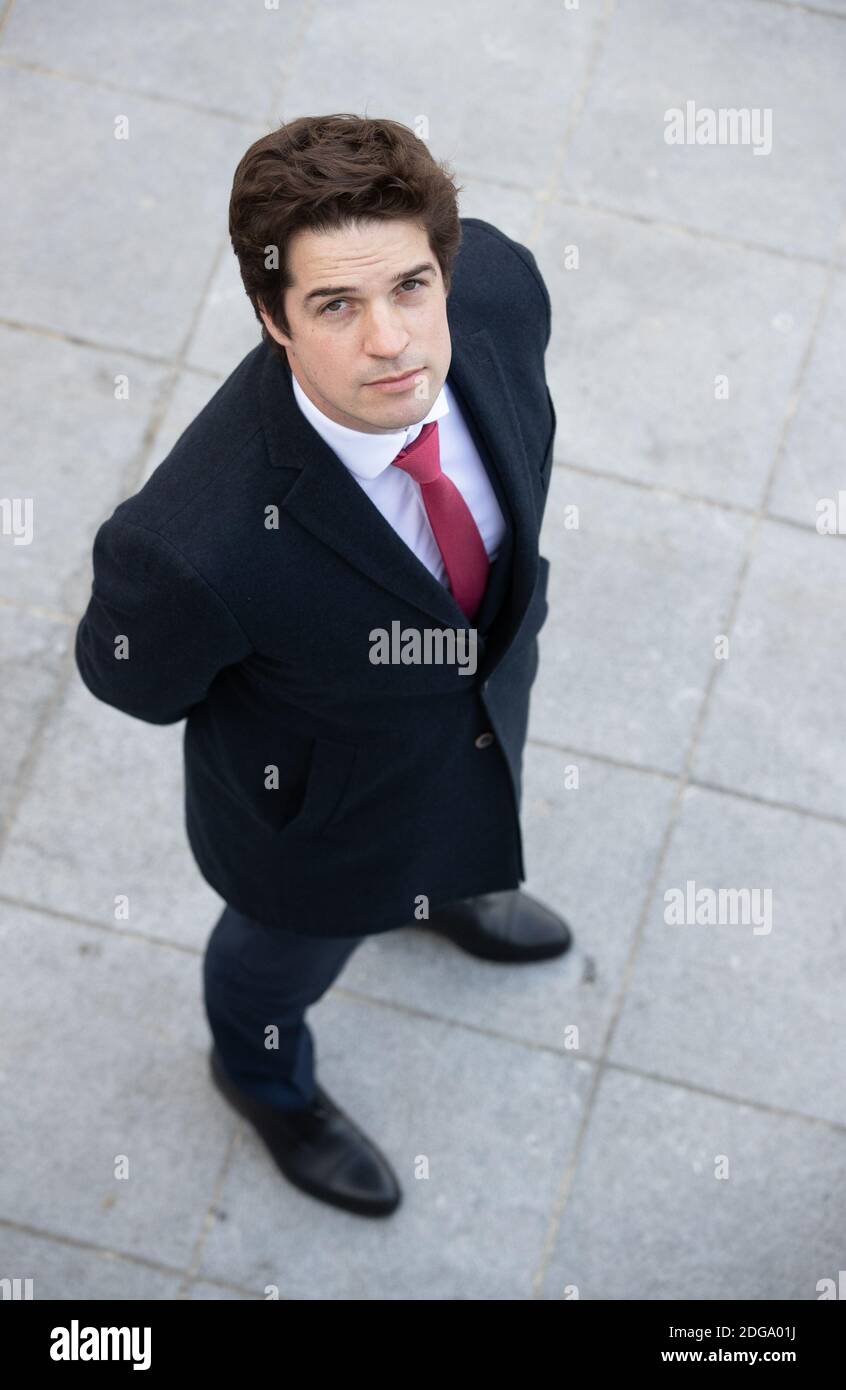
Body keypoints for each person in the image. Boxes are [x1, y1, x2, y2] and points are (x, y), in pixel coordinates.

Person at [75, 113, 573, 1220]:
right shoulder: (190, 542)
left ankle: (444, 885)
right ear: (272, 318)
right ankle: (260, 1077)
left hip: (482, 701)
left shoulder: (499, 292)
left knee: (462, 807)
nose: (392, 340)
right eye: (335, 306)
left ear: (445, 271)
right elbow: (132, 679)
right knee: (277, 964)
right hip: (316, 817)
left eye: (408, 287)